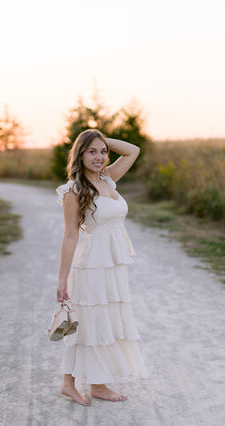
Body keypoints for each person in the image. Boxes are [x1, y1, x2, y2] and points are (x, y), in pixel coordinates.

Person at [55, 129, 149, 406]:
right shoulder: (74, 190)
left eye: (103, 152)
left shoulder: (109, 179)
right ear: (80, 154)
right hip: (92, 266)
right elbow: (70, 235)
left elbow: (133, 150)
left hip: (112, 266)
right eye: (91, 151)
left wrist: (99, 139)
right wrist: (62, 280)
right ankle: (71, 384)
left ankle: (93, 384)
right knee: (89, 323)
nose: (99, 157)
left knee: (102, 322)